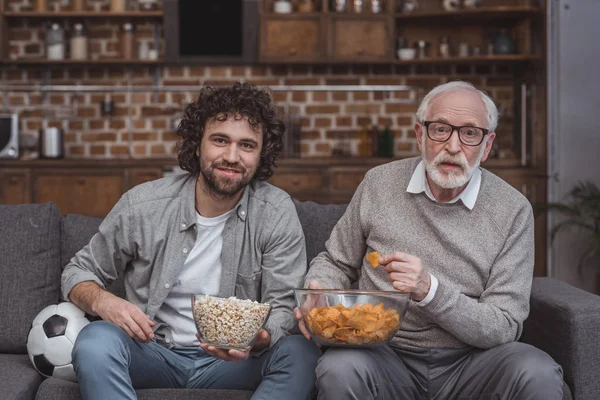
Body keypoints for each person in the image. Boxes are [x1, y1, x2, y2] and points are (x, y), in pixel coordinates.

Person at [296, 81, 564, 399]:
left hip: (473, 363)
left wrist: (429, 290)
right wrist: (320, 290)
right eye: (440, 129)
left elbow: (503, 325)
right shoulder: (379, 183)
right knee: (339, 369)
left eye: (469, 133)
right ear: (420, 135)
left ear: (487, 145)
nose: (453, 146)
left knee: (538, 372)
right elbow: (335, 261)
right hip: (383, 353)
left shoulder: (513, 210)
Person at [62, 82, 321, 400]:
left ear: (260, 153)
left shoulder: (277, 211)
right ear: (198, 145)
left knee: (301, 352)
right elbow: (78, 272)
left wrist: (261, 338)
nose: (231, 156)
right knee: (95, 340)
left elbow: (284, 306)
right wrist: (104, 302)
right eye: (220, 140)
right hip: (152, 353)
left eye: (247, 145)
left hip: (236, 362)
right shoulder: (143, 205)